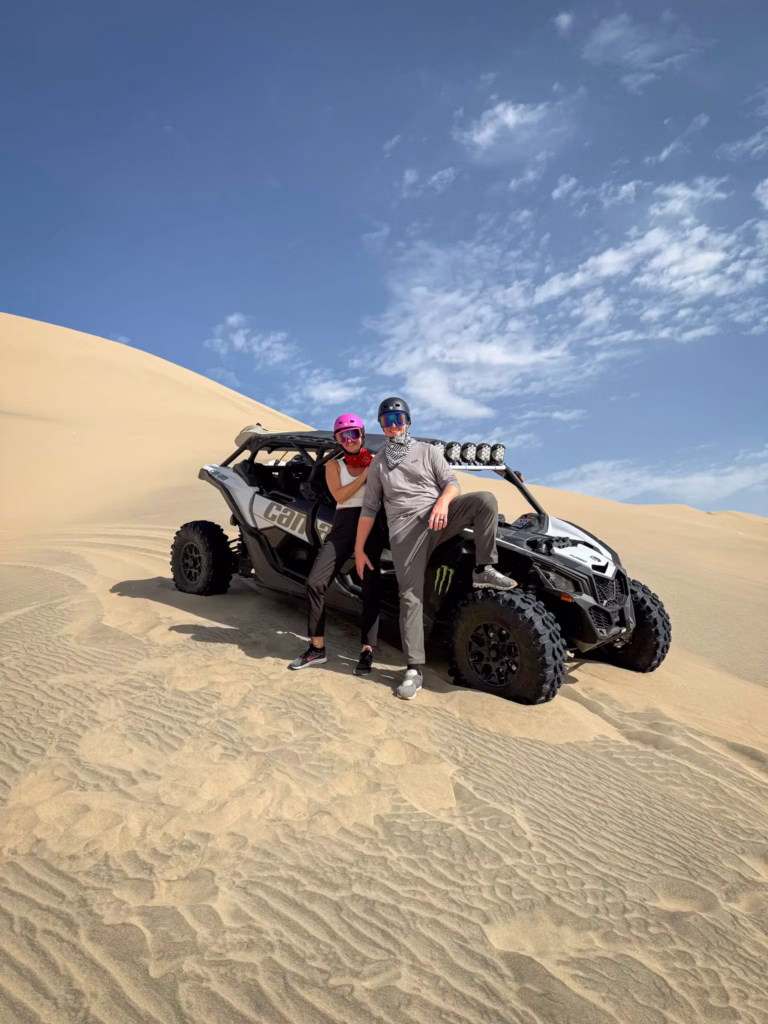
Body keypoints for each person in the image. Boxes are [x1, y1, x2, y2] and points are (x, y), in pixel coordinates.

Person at [355, 396, 517, 700]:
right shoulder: (378, 465)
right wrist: (360, 548)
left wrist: (443, 501)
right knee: (410, 597)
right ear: (381, 426)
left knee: (485, 501)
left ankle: (484, 569)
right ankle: (413, 669)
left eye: (398, 420)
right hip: (404, 532)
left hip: (437, 517)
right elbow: (368, 508)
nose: (393, 426)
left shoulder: (428, 451)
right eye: (387, 422)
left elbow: (452, 483)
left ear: (408, 422)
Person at [290, 413, 387, 675]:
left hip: (372, 525)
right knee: (315, 583)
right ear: (338, 440)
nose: (349, 439)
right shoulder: (334, 465)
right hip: (343, 526)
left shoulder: (379, 461)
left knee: (370, 589)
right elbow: (340, 495)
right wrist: (366, 474)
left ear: (361, 435)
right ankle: (317, 648)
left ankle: (367, 651)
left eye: (353, 434)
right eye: (343, 436)